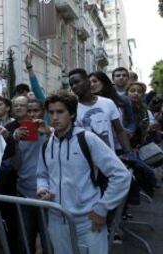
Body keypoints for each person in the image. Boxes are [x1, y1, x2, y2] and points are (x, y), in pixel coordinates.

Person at [37, 90, 131, 254]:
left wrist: (102, 209)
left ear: (72, 114)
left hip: (88, 221)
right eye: (51, 112)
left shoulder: (87, 139)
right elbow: (42, 175)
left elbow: (121, 175)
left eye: (60, 112)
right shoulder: (47, 144)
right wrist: (42, 189)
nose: (54, 117)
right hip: (56, 220)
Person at [5, 95, 50, 253]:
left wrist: (49, 135)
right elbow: (15, 165)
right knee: (25, 241)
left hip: (47, 196)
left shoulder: (52, 133)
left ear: (43, 113)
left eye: (36, 111)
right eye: (29, 111)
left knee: (48, 242)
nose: (32, 114)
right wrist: (14, 141)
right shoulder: (19, 135)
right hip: (24, 194)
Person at [69, 68, 131, 153]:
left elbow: (119, 130)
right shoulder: (72, 109)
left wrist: (129, 153)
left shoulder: (108, 103)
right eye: (71, 84)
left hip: (110, 159)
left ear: (87, 82)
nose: (74, 86)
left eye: (77, 82)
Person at [88, 71, 136, 138]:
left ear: (104, 82)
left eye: (95, 81)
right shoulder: (87, 103)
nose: (91, 84)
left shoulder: (122, 100)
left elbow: (131, 121)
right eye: (89, 82)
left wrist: (129, 131)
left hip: (121, 144)